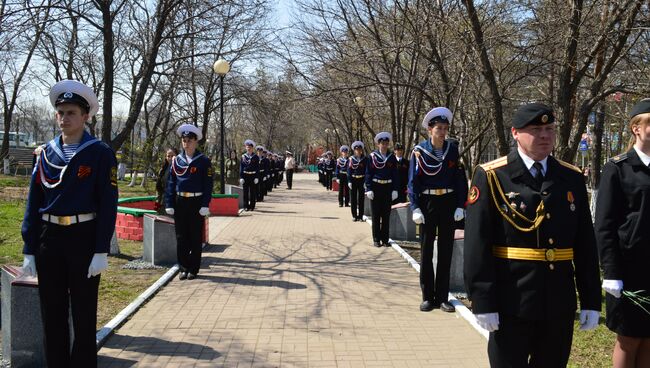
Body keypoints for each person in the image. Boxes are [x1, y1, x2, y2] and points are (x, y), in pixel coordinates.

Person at [464, 103, 601, 367]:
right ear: (515, 133)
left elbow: (585, 244)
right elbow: (477, 245)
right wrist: (482, 300)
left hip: (558, 303)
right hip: (511, 302)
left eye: (549, 129)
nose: (545, 136)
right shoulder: (493, 175)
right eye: (536, 129)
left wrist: (591, 300)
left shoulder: (570, 177)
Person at [21, 80, 118, 367]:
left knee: (84, 314)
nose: (65, 118)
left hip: (83, 237)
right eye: (60, 112)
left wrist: (101, 249)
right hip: (49, 238)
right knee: (52, 314)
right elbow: (33, 201)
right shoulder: (47, 153)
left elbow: (108, 203)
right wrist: (29, 246)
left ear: (85, 116)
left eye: (71, 112)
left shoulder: (99, 153)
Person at [595, 98, 650, 368]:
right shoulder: (618, 168)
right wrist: (612, 272)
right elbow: (604, 224)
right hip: (629, 268)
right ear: (635, 128)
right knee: (628, 339)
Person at [408, 107, 468, 313]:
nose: (442, 132)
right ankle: (427, 296)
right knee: (426, 250)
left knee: (445, 251)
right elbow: (413, 182)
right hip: (428, 204)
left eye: (445, 128)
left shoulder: (452, 150)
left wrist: (461, 204)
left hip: (448, 203)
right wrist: (415, 207)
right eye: (438, 128)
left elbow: (459, 180)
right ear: (429, 130)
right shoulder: (419, 151)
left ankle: (442, 297)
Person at [165, 124, 213, 280]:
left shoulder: (204, 161)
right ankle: (183, 267)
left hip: (196, 201)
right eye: (184, 140)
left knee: (195, 237)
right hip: (180, 201)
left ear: (196, 142)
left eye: (189, 140)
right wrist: (169, 203)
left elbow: (208, 184)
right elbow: (171, 183)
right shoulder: (176, 161)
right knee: (181, 236)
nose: (186, 143)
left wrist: (205, 204)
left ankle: (193, 268)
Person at [365, 132, 399, 247]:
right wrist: (369, 188)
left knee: (386, 215)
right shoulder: (372, 157)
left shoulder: (392, 157)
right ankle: (376, 239)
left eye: (386, 143)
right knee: (376, 214)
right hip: (376, 187)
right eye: (382, 143)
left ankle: (385, 239)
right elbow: (368, 173)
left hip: (387, 188)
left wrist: (395, 189)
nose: (384, 145)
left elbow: (395, 174)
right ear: (378, 144)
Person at [347, 141, 367, 222]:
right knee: (353, 198)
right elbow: (349, 170)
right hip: (354, 180)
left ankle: (361, 215)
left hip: (362, 180)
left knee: (361, 198)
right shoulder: (351, 159)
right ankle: (354, 215)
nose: (358, 151)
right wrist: (349, 181)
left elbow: (367, 171)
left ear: (361, 150)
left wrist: (366, 181)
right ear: (354, 150)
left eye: (359, 149)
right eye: (356, 150)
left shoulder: (365, 159)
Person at [155, 147, 178, 213]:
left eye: (173, 156)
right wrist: (157, 205)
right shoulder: (163, 169)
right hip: (163, 203)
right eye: (168, 156)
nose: (170, 158)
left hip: (176, 203)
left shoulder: (181, 169)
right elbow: (159, 189)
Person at [239, 140, 259, 211]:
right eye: (247, 147)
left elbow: (257, 168)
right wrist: (241, 177)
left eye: (250, 147)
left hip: (253, 176)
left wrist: (257, 177)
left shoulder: (256, 157)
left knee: (252, 192)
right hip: (245, 176)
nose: (248, 148)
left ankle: (252, 206)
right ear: (246, 148)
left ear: (252, 148)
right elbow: (241, 167)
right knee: (245, 192)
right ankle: (245, 206)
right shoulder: (243, 156)